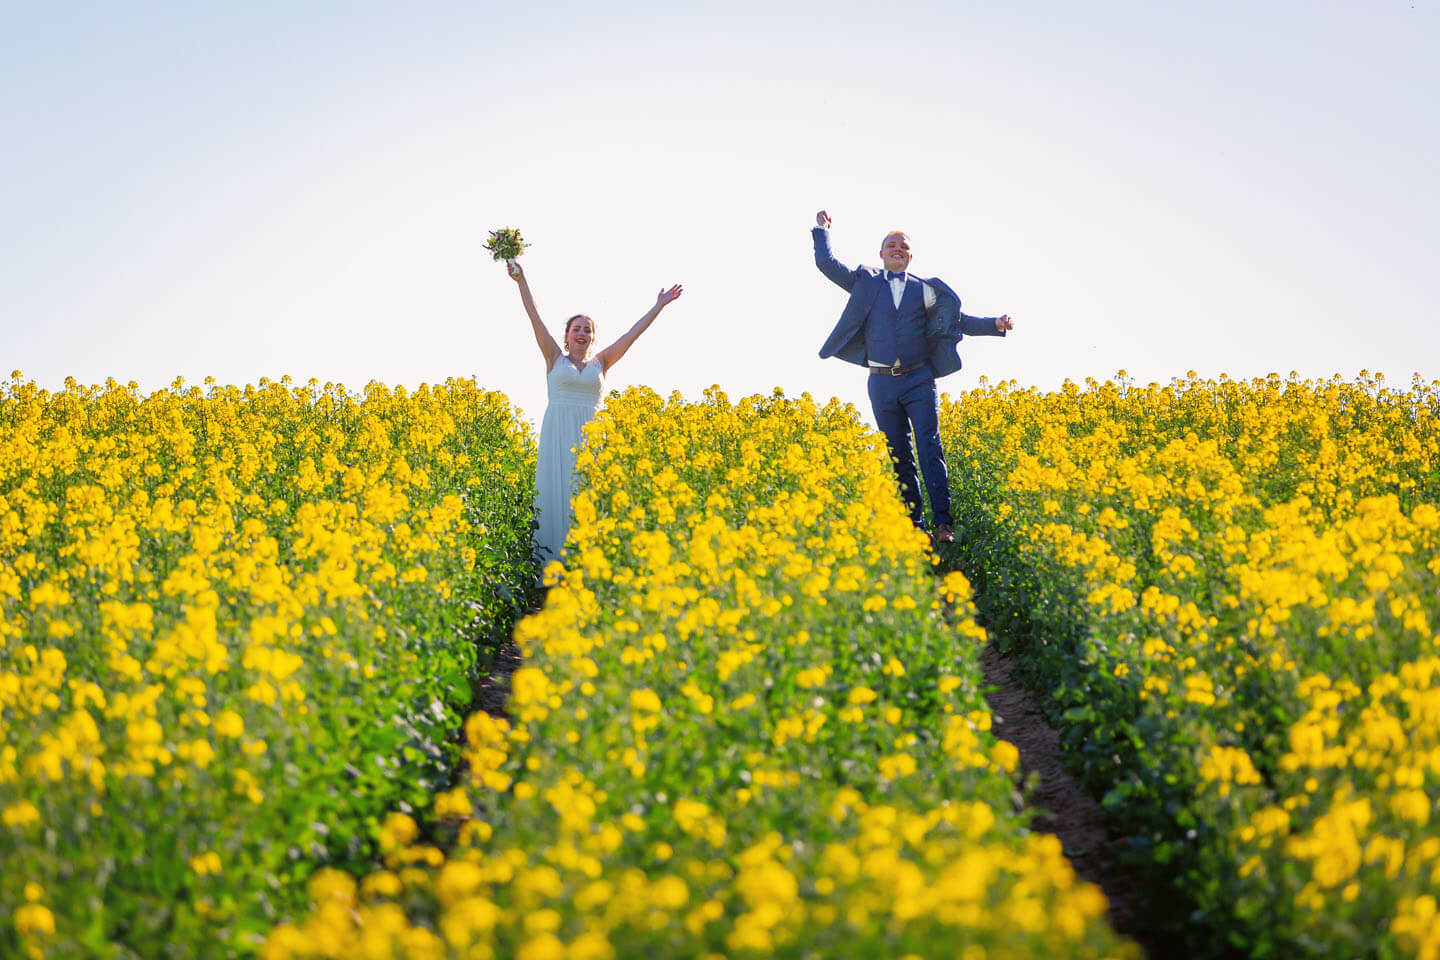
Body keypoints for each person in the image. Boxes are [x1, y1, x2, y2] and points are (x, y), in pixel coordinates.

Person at [811, 210, 1013, 543]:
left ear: (910, 256)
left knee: (929, 446)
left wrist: (994, 324)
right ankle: (915, 527)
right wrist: (823, 230)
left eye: (903, 247)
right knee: (899, 455)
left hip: (918, 379)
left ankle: (944, 523)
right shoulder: (865, 282)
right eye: (891, 245)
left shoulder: (925, 290)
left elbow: (958, 321)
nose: (897, 249)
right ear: (881, 253)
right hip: (881, 382)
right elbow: (826, 264)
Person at [507, 260, 683, 563]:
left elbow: (631, 335)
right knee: (555, 492)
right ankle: (551, 569)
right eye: (576, 329)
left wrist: (658, 306)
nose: (582, 333)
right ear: (566, 336)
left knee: (586, 494)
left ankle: (587, 565)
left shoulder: (602, 362)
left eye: (587, 330)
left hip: (591, 437)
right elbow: (534, 316)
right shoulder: (553, 357)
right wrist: (521, 280)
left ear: (592, 338)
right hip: (558, 432)